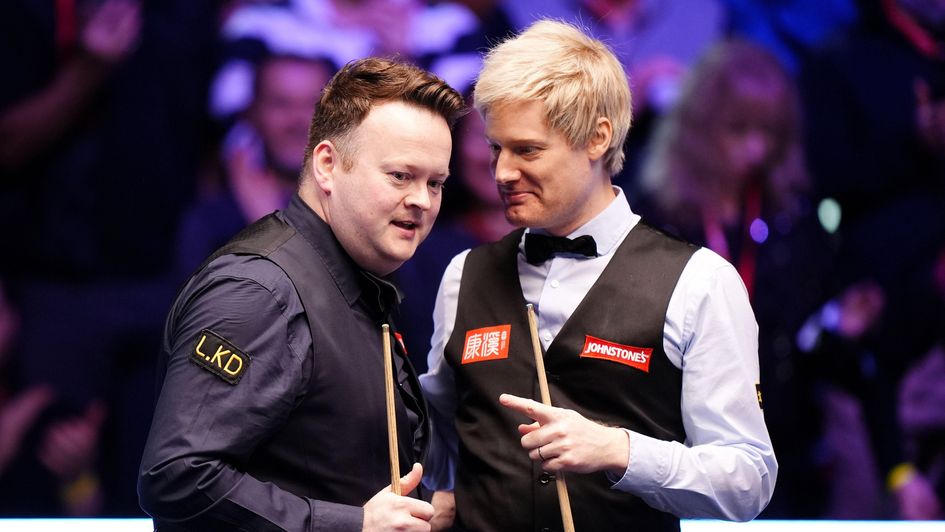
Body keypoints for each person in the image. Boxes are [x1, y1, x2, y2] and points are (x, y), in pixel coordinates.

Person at [420, 20, 776, 531]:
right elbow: (441, 448)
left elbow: (749, 480)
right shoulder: (463, 276)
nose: (500, 172)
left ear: (597, 137)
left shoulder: (700, 281)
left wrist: (619, 450)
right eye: (497, 148)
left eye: (527, 150)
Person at [138, 57, 465, 531]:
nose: (422, 200)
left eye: (435, 183)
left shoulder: (357, 281)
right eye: (400, 176)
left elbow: (332, 467)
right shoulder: (259, 292)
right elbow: (176, 476)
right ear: (328, 165)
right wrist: (353, 526)